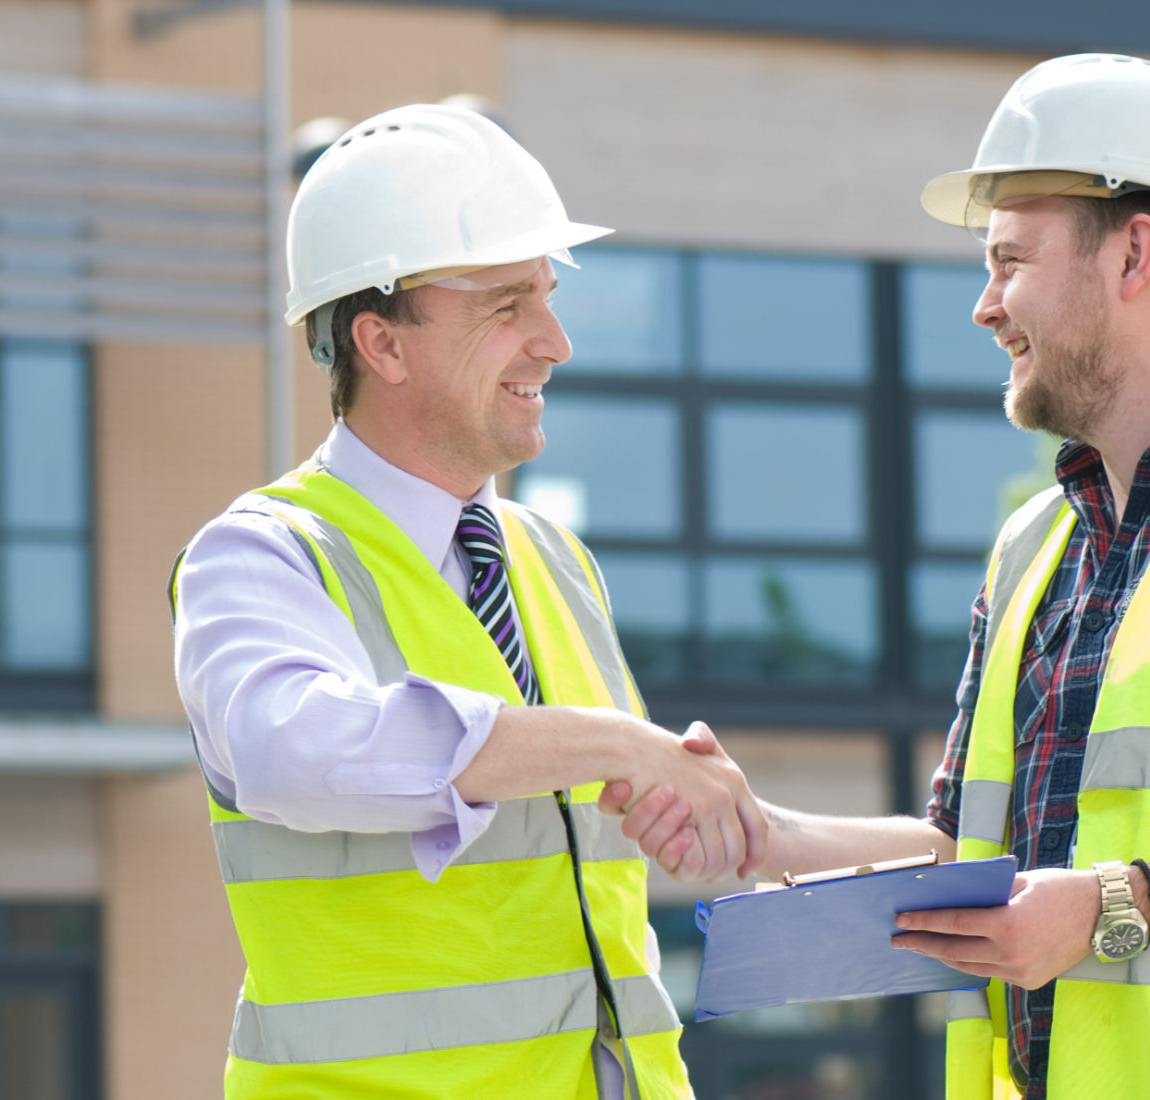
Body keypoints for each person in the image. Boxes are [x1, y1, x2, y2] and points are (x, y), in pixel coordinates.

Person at [607, 54, 1150, 1099]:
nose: (985, 306)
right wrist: (767, 832)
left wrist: (1118, 901)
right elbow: (972, 848)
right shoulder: (1037, 546)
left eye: (1010, 259)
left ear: (1135, 254)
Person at [170, 103, 763, 1100]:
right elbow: (291, 746)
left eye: (549, 295)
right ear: (382, 344)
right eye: (506, 305)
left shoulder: (553, 557)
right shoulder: (262, 555)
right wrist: (615, 742)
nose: (556, 341)